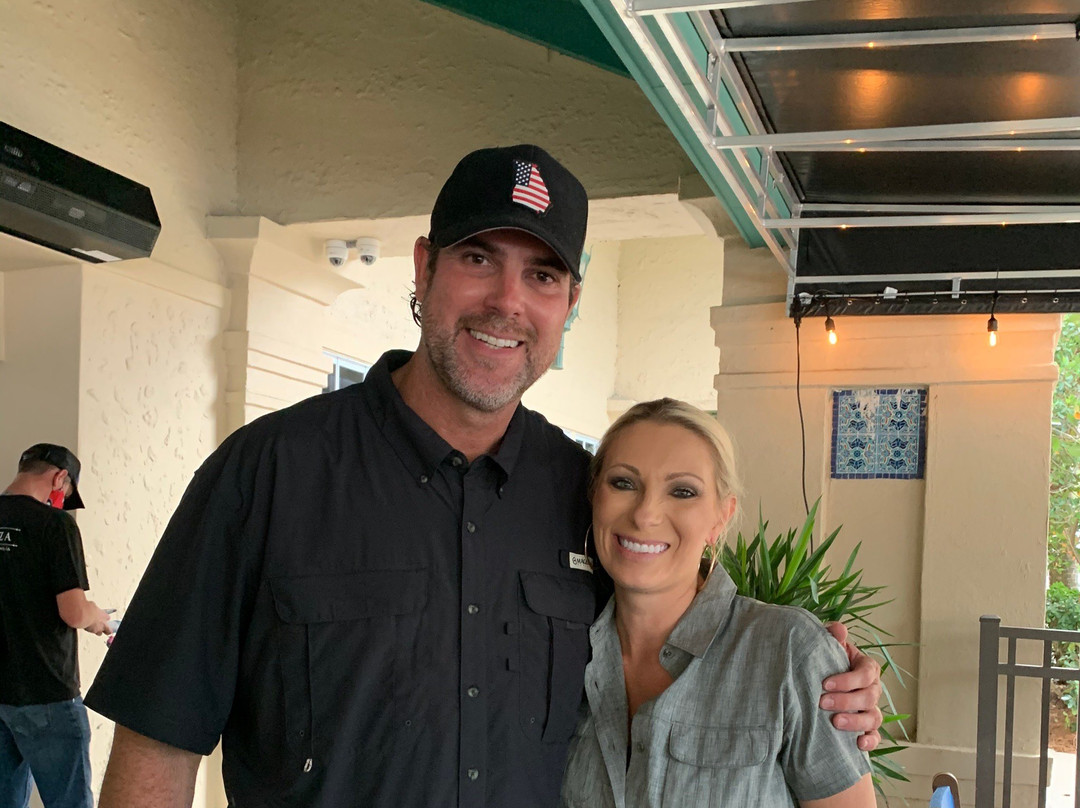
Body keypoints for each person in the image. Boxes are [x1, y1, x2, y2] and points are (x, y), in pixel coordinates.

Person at [85, 144, 882, 808]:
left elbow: (678, 632)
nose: (507, 302)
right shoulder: (267, 472)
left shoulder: (582, 492)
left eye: (542, 276)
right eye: (478, 259)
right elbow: (158, 742)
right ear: (425, 267)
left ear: (569, 302)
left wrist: (823, 677)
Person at [560, 399, 875, 808]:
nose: (645, 514)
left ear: (721, 517)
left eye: (683, 491)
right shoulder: (557, 646)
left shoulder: (790, 651)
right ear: (594, 497)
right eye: (623, 483)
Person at [0, 444, 112, 808]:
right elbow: (74, 613)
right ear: (59, 478)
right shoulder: (55, 524)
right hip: (46, 693)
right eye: (65, 492)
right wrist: (98, 617)